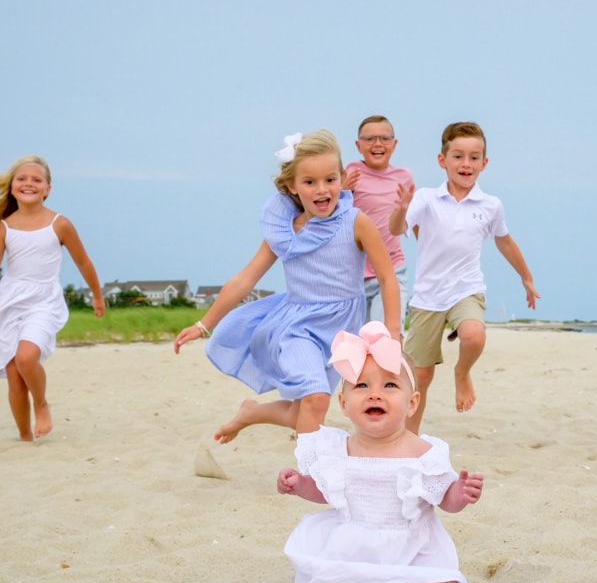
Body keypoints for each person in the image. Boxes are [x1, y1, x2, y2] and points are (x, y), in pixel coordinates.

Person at [173, 130, 401, 444]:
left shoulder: (356, 222)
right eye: (310, 182)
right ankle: (306, 475)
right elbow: (245, 279)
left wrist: (392, 330)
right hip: (298, 327)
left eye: (330, 180)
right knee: (317, 397)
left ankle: (252, 414)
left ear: (342, 178)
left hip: (342, 331)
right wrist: (204, 323)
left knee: (310, 408)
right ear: (293, 186)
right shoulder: (284, 232)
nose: (322, 190)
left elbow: (388, 278)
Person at [277, 321, 498, 583]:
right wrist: (300, 485)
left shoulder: (423, 452)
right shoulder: (337, 450)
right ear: (343, 404)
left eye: (390, 385)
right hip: (352, 552)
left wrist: (460, 494)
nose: (375, 395)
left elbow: (443, 496)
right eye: (362, 386)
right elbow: (326, 490)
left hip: (413, 555)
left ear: (412, 403)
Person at [389, 121, 540, 434]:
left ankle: (462, 372)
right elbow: (395, 229)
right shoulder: (427, 199)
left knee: (473, 335)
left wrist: (526, 277)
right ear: (442, 160)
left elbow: (505, 242)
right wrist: (402, 208)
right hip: (428, 297)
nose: (466, 164)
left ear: (484, 164)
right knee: (421, 377)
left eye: (474, 157)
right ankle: (409, 438)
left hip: (466, 288)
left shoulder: (491, 205)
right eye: (458, 156)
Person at [0, 155, 105, 441]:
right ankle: (24, 437)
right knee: (13, 373)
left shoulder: (60, 224)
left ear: (47, 189)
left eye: (36, 180)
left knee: (26, 357)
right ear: (11, 186)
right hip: (8, 303)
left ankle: (41, 404)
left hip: (44, 302)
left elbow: (83, 262)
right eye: (22, 178)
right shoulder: (5, 228)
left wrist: (97, 295)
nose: (28, 183)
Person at [343, 115, 415, 322]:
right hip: (354, 275)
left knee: (385, 339)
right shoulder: (351, 172)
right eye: (369, 139)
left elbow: (400, 228)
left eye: (384, 138)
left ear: (394, 144)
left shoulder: (404, 177)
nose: (377, 144)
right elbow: (335, 218)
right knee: (357, 346)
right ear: (358, 145)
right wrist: (342, 192)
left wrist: (402, 209)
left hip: (392, 269)